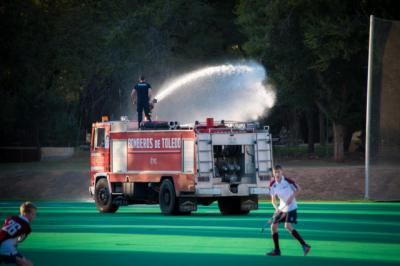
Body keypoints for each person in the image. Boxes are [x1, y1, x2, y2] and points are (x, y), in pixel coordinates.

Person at [266, 165, 311, 256]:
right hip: (282, 208)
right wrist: (276, 209)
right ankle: (277, 250)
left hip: (291, 207)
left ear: (282, 172)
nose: (277, 174)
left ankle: (305, 245)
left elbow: (298, 189)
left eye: (279, 172)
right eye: (275, 172)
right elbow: (273, 199)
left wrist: (291, 197)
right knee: (273, 227)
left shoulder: (287, 181)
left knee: (287, 226)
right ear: (273, 173)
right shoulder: (272, 184)